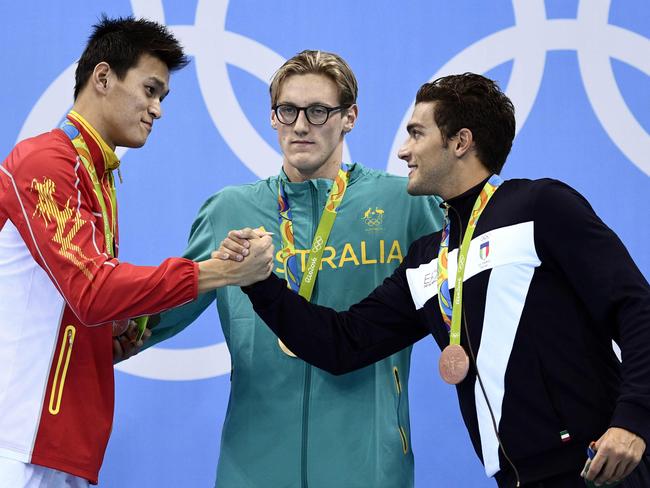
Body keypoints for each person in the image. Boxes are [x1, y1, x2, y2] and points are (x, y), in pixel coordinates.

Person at [241, 73, 650, 487]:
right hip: (517, 479)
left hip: (601, 466)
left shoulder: (539, 207)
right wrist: (259, 282)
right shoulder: (426, 261)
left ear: (460, 142)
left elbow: (637, 307)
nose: (403, 151)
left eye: (417, 134)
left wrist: (634, 421)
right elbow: (343, 344)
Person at [147, 50, 442, 487]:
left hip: (367, 468)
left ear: (350, 117)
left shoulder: (407, 205)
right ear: (272, 117)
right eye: (287, 110)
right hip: (254, 467)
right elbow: (164, 313)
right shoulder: (230, 210)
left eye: (319, 111)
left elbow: (469, 313)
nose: (300, 126)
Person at [0, 16, 273, 488]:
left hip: (60, 443)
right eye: (150, 90)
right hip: (19, 440)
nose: (157, 109)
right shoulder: (47, 160)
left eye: (162, 97)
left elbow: (70, 305)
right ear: (103, 77)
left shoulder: (98, 173)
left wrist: (103, 341)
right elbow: (93, 290)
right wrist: (219, 271)